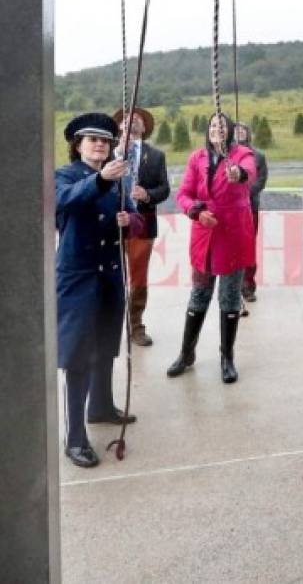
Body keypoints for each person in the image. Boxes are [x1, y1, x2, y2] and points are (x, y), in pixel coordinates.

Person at [56, 112, 141, 468]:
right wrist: (102, 181)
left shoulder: (119, 179)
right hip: (78, 279)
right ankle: (74, 438)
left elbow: (136, 218)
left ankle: (101, 407)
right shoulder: (64, 176)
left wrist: (129, 221)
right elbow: (65, 201)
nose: (100, 145)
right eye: (93, 140)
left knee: (105, 346)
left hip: (109, 277)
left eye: (105, 141)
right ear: (78, 145)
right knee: (77, 357)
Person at [167, 113, 256, 384]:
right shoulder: (197, 158)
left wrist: (237, 173)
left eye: (222, 125)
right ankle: (186, 353)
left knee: (229, 298)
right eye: (212, 125)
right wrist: (195, 211)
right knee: (199, 295)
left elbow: (249, 173)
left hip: (233, 236)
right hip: (204, 234)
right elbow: (183, 194)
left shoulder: (242, 153)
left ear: (230, 130)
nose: (217, 129)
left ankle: (226, 357)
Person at [112, 107, 169, 346]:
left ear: (144, 128)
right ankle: (108, 326)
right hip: (110, 224)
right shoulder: (107, 152)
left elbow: (164, 189)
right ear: (119, 127)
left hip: (142, 225)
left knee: (138, 278)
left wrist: (146, 195)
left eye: (137, 120)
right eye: (126, 119)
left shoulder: (155, 156)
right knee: (109, 276)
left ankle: (136, 326)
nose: (132, 121)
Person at [234, 122, 268, 305]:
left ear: (248, 134)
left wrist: (245, 193)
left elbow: (261, 180)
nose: (239, 133)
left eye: (243, 130)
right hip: (230, 209)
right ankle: (232, 284)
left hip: (249, 207)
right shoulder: (228, 155)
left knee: (248, 245)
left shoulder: (259, 156)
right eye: (236, 130)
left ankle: (248, 285)